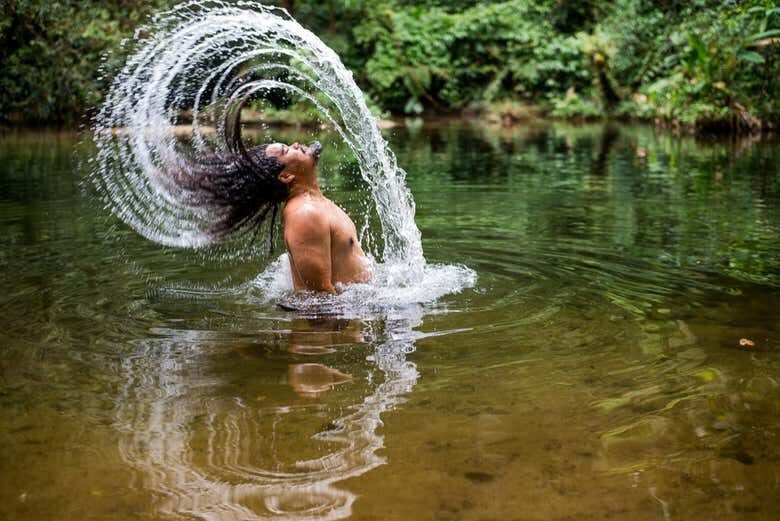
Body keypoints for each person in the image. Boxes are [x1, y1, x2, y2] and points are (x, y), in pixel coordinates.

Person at [264, 142, 371, 293]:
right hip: (349, 315)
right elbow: (320, 301)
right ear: (286, 176)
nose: (295, 144)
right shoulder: (305, 215)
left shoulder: (316, 204)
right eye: (286, 150)